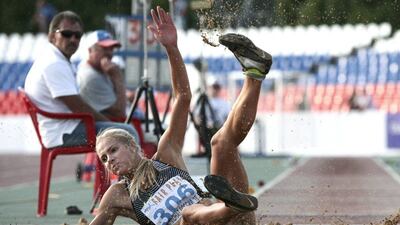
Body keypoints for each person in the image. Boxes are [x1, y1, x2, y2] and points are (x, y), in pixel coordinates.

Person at [89, 6, 272, 225]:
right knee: (187, 215)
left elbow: (183, 98)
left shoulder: (167, 154)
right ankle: (228, 206)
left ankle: (253, 73)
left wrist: (172, 48)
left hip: (229, 222)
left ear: (132, 146)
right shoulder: (117, 195)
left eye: (113, 150)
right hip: (194, 219)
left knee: (220, 144)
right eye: (104, 159)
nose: (110, 161)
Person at [24, 11, 139, 149]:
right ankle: (139, 171)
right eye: (67, 34)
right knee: (127, 133)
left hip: (64, 128)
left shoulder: (57, 60)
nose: (73, 39)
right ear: (52, 36)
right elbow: (79, 108)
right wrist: (112, 126)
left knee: (124, 130)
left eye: (77, 35)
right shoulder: (55, 64)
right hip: (64, 132)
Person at [77, 30, 127, 119]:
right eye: (104, 48)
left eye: (111, 49)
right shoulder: (91, 76)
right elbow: (120, 113)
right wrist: (118, 77)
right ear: (90, 51)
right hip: (103, 127)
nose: (109, 53)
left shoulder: (101, 70)